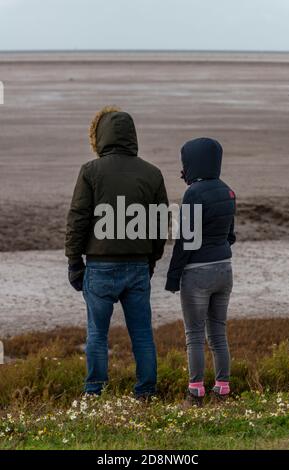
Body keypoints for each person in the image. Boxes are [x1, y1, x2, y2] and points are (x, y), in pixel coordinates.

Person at [65, 106, 168, 399]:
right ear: (132, 136)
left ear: (99, 137)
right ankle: (146, 392)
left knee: (97, 334)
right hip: (137, 266)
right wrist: (151, 260)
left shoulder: (90, 171)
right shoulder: (152, 173)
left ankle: (94, 392)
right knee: (143, 335)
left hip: (99, 266)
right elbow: (160, 223)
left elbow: (78, 218)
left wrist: (74, 261)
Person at [165, 137, 236, 406]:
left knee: (194, 334)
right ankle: (223, 389)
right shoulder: (229, 191)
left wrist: (173, 277)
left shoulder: (193, 194)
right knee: (218, 332)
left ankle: (195, 393)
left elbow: (186, 240)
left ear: (192, 163)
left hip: (198, 273)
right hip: (224, 269)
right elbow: (231, 236)